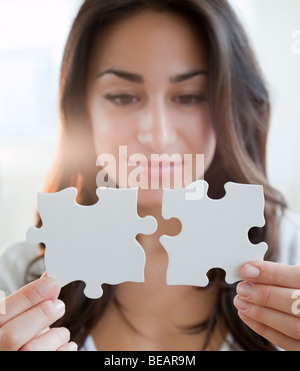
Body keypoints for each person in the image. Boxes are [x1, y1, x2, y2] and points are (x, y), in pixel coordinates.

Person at [0, 0, 300, 351]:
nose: (157, 137)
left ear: (229, 107)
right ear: (84, 112)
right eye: (124, 97)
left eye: (189, 97)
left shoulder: (291, 255)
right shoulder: (19, 279)